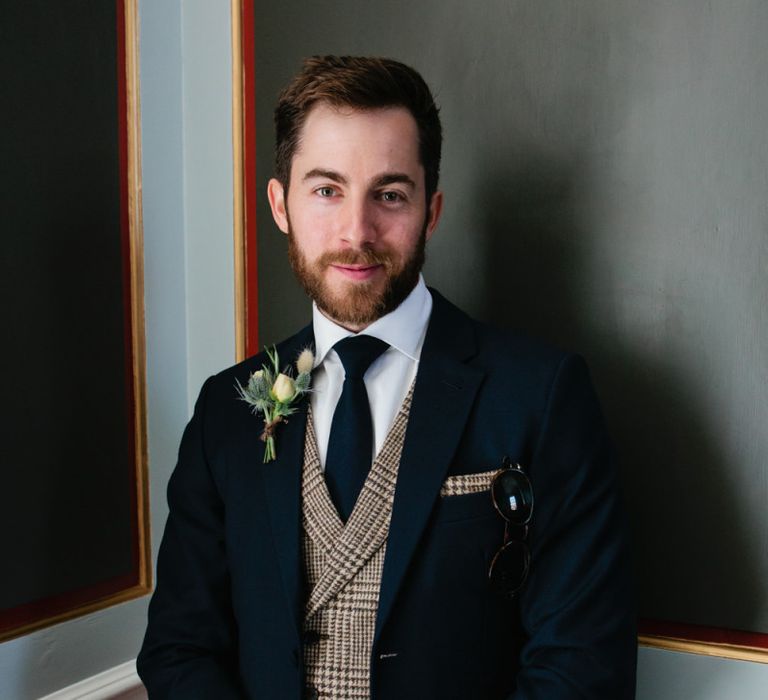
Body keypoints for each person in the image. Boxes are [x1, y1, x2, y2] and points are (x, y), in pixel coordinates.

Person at [138, 55, 636, 699]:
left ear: (430, 210)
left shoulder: (542, 395)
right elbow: (180, 646)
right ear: (280, 204)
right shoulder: (225, 411)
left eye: (390, 194)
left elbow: (581, 668)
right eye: (326, 190)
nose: (356, 232)